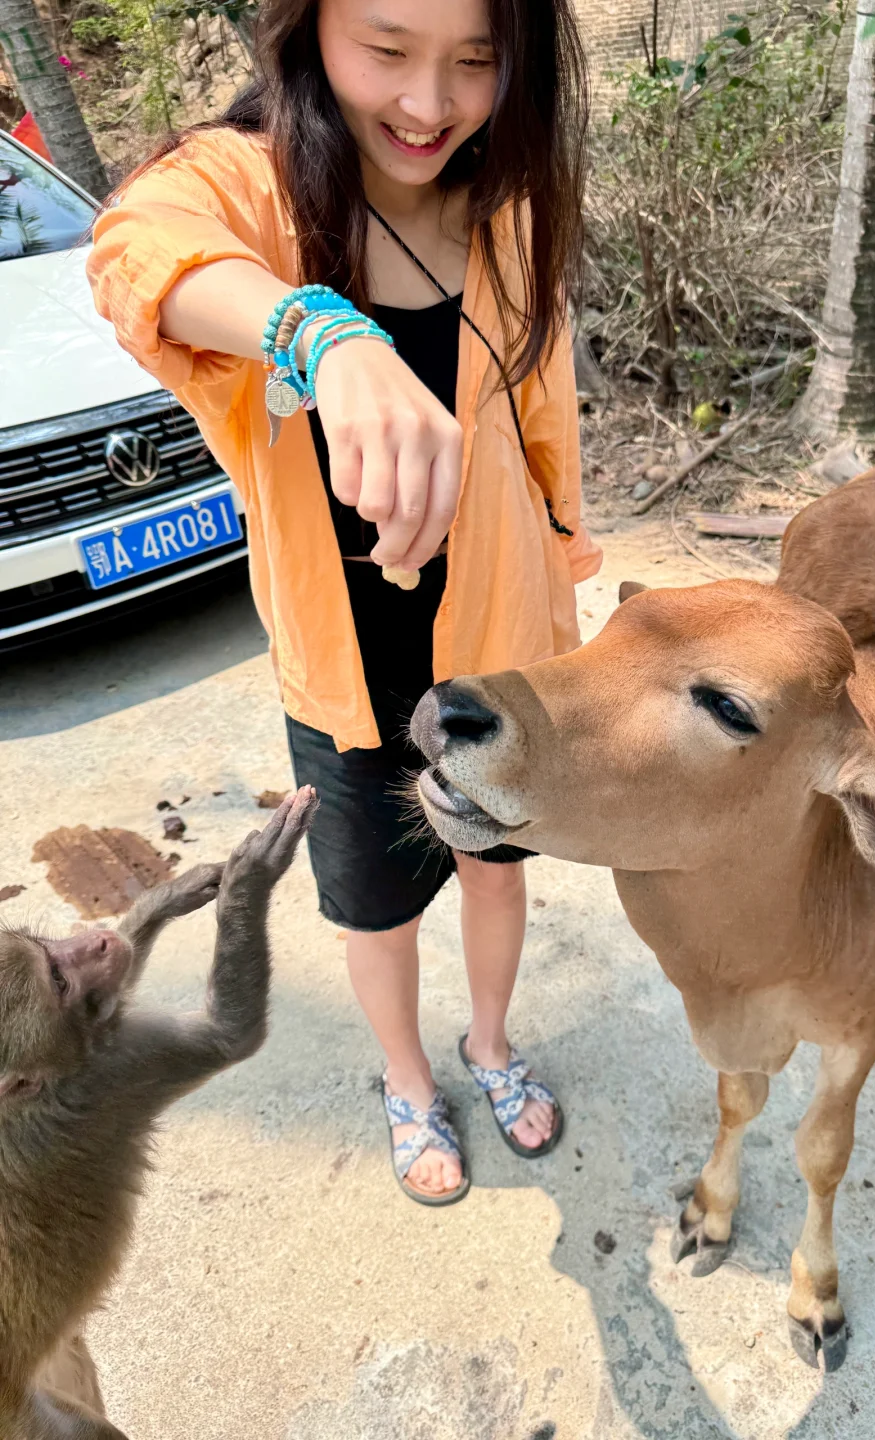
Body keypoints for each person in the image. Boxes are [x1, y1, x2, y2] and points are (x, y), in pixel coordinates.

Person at [88, 0, 601, 1206]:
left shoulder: (508, 211)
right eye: (387, 51)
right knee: (371, 902)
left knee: (493, 864)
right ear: (308, 30)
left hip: (497, 641)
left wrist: (566, 582)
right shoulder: (252, 193)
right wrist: (315, 326)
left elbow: (544, 422)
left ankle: (488, 1043)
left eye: (476, 63)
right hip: (342, 654)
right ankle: (408, 1078)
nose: (430, 105)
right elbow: (135, 249)